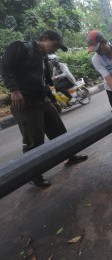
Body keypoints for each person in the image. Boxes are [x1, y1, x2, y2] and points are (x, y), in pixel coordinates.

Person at [1, 30, 88, 188]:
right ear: (45, 39)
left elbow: (44, 81)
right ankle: (34, 175)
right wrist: (14, 90)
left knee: (59, 130)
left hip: (42, 99)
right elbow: (6, 67)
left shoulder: (43, 57)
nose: (55, 50)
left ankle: (70, 156)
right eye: (54, 45)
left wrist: (54, 100)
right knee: (34, 141)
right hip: (25, 103)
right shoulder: (21, 47)